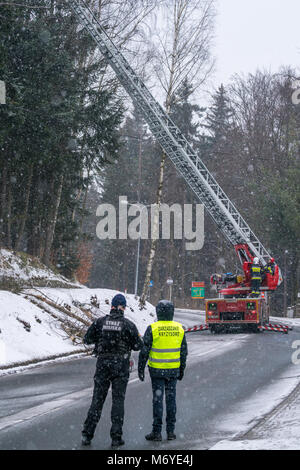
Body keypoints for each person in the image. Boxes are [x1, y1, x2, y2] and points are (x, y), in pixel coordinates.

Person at [81, 293, 143, 448]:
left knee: (97, 400)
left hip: (103, 364)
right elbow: (138, 345)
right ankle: (116, 437)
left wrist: (101, 340)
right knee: (118, 401)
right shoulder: (128, 324)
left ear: (112, 306)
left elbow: (87, 339)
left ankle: (87, 435)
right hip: (120, 365)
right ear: (123, 307)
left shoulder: (100, 322)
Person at [138, 300, 188, 441]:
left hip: (157, 371)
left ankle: (157, 431)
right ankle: (171, 431)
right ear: (172, 313)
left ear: (158, 312)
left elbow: (144, 351)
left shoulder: (153, 328)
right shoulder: (179, 328)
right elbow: (184, 352)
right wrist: (181, 369)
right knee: (171, 400)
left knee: (158, 401)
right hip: (173, 371)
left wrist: (140, 368)